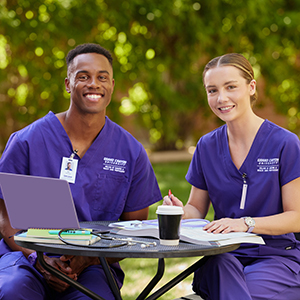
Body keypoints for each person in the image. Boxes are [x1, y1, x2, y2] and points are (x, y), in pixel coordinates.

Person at [0, 43, 162, 300]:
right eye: (83, 76)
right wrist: (38, 260)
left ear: (111, 86)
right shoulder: (27, 141)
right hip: (26, 258)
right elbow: (5, 217)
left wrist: (87, 260)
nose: (93, 84)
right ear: (67, 84)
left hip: (95, 264)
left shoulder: (130, 151)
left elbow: (135, 226)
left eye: (102, 77)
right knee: (13, 290)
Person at [163, 53, 300, 300]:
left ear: (251, 87)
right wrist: (180, 212)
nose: (221, 98)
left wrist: (246, 223)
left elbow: (297, 217)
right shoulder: (206, 145)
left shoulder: (285, 143)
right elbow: (196, 208)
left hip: (274, 257)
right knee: (219, 267)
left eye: (231, 87)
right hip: (223, 255)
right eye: (212, 90)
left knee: (238, 293)